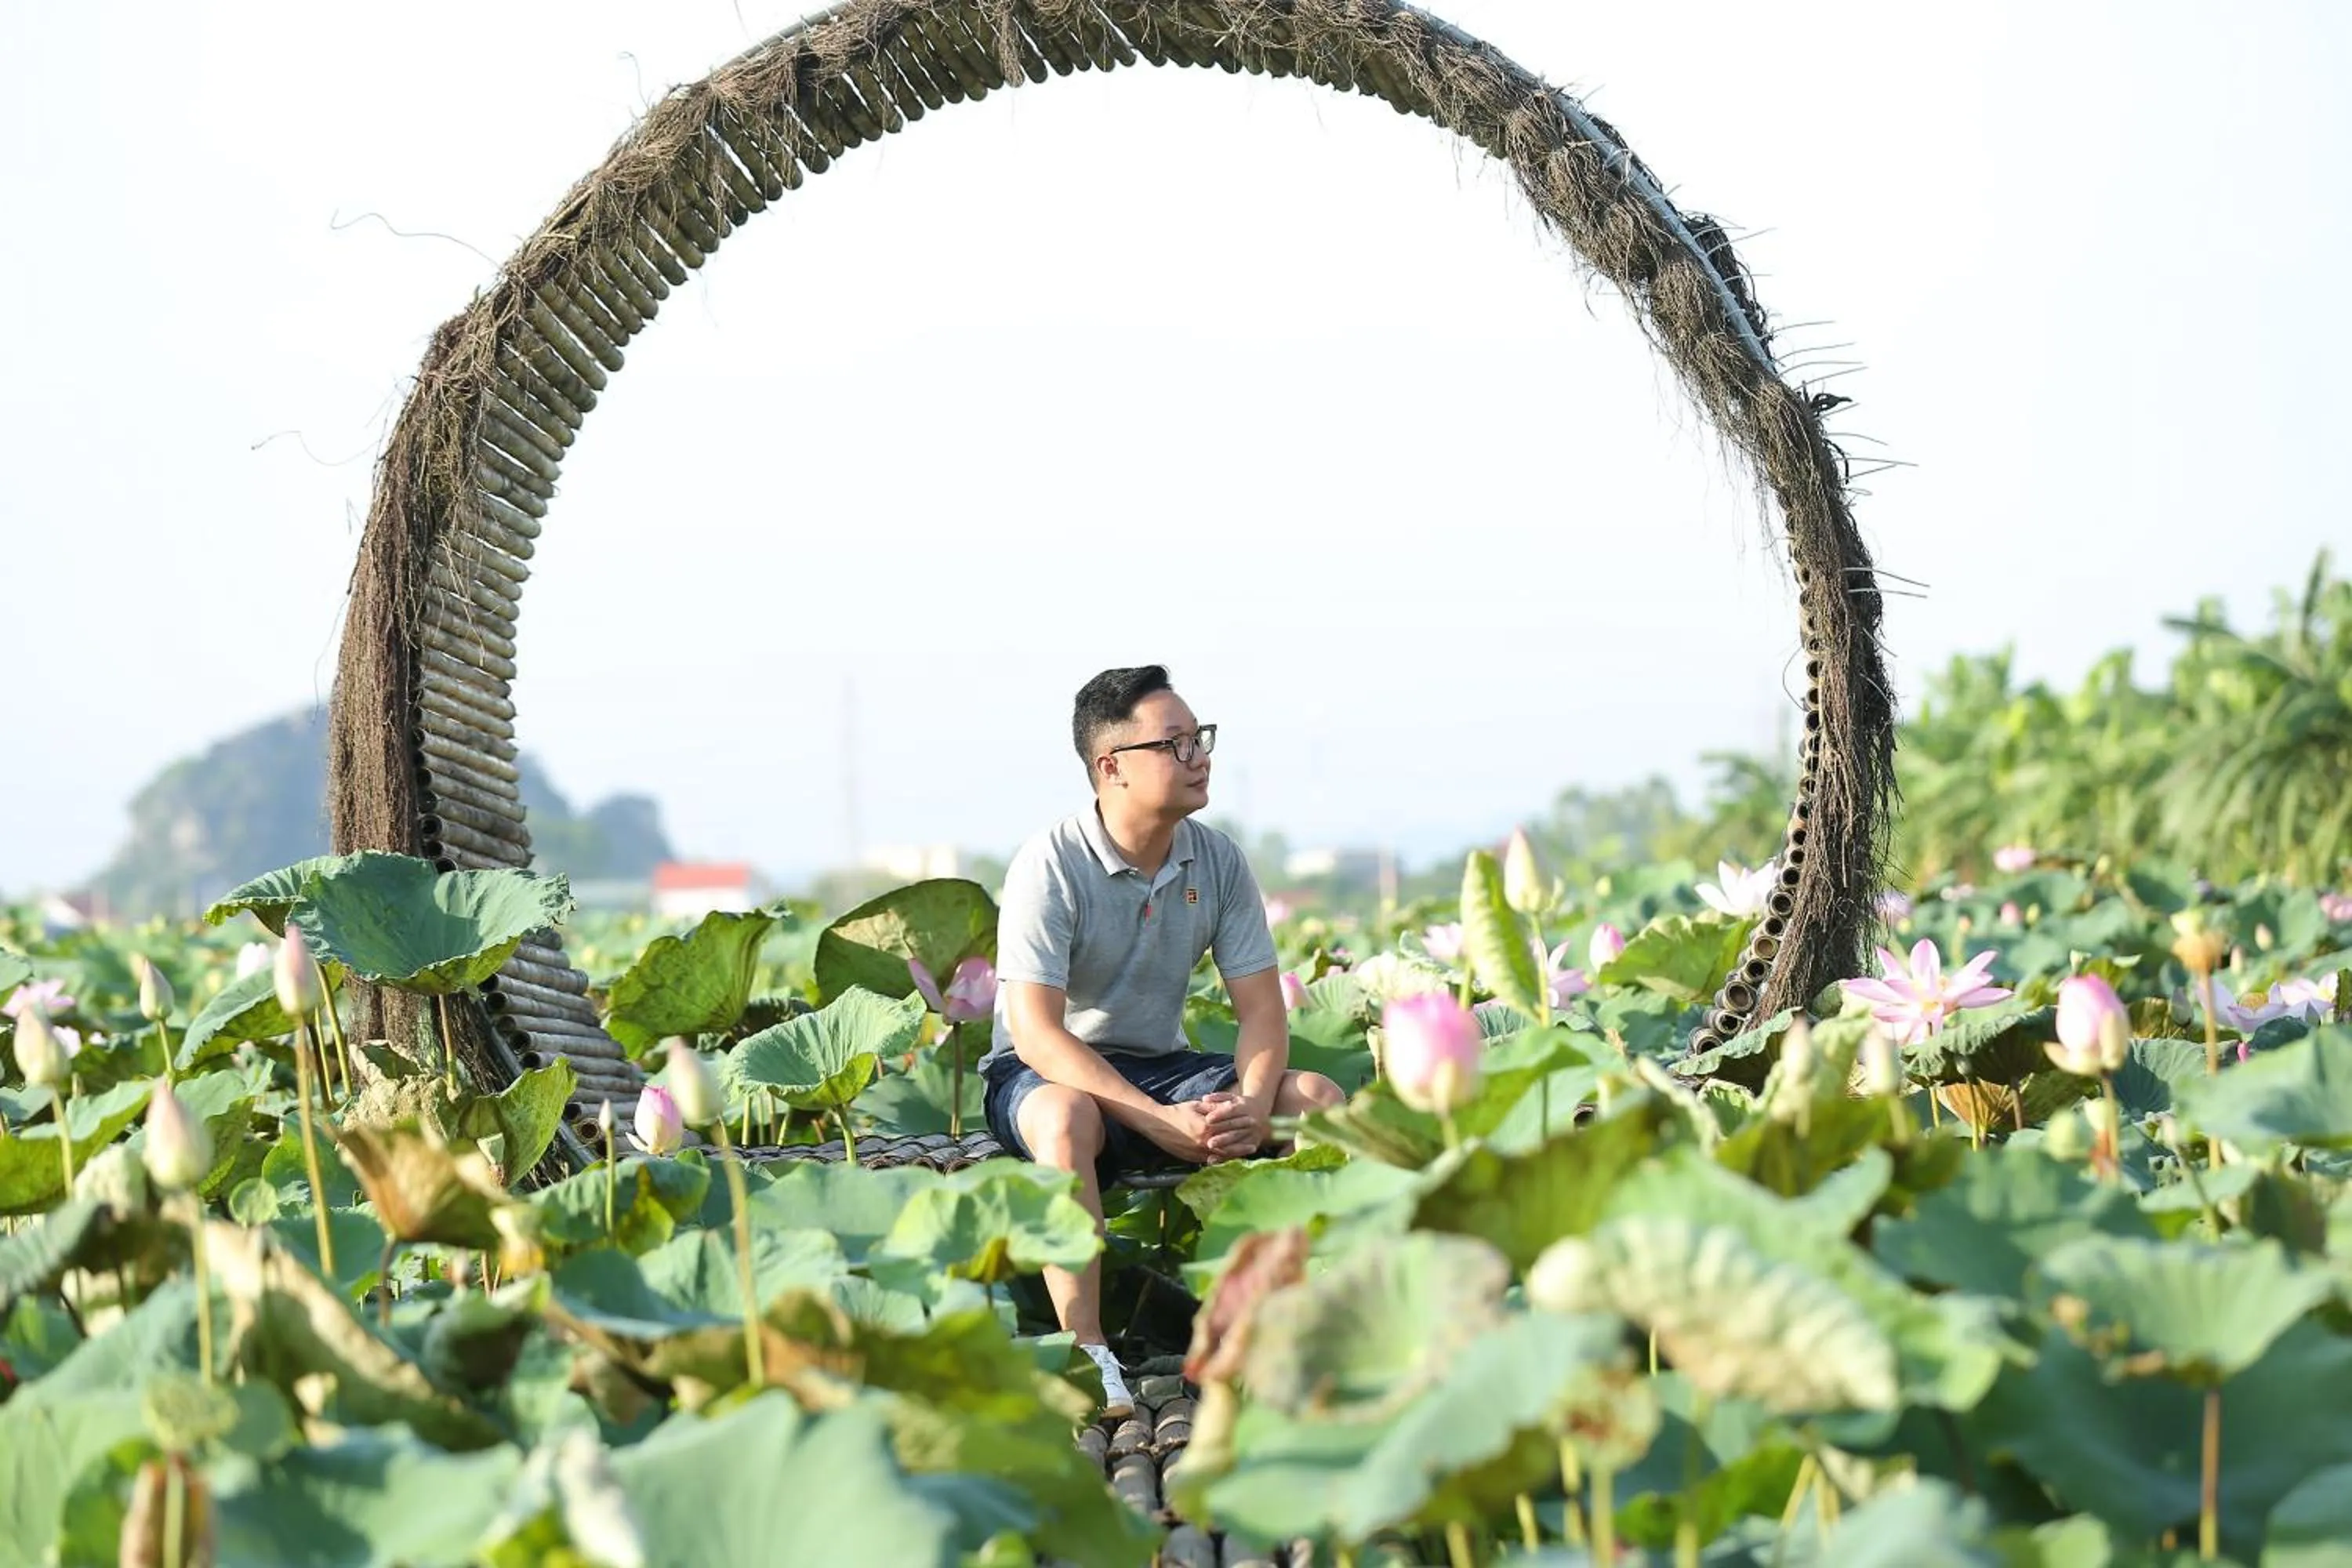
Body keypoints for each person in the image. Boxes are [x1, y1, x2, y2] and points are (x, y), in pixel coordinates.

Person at [983, 665, 1344, 1417]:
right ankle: (1091, 1356)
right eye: (1176, 743)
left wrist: (1248, 1103)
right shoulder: (1050, 863)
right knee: (1065, 1118)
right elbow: (1038, 1034)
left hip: (1160, 1067)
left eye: (1200, 738)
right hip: (1043, 1075)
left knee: (1316, 1099)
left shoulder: (1216, 860)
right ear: (1111, 766)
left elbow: (1262, 1014)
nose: (1200, 757)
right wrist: (1159, 1123)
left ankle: (1258, 1341)